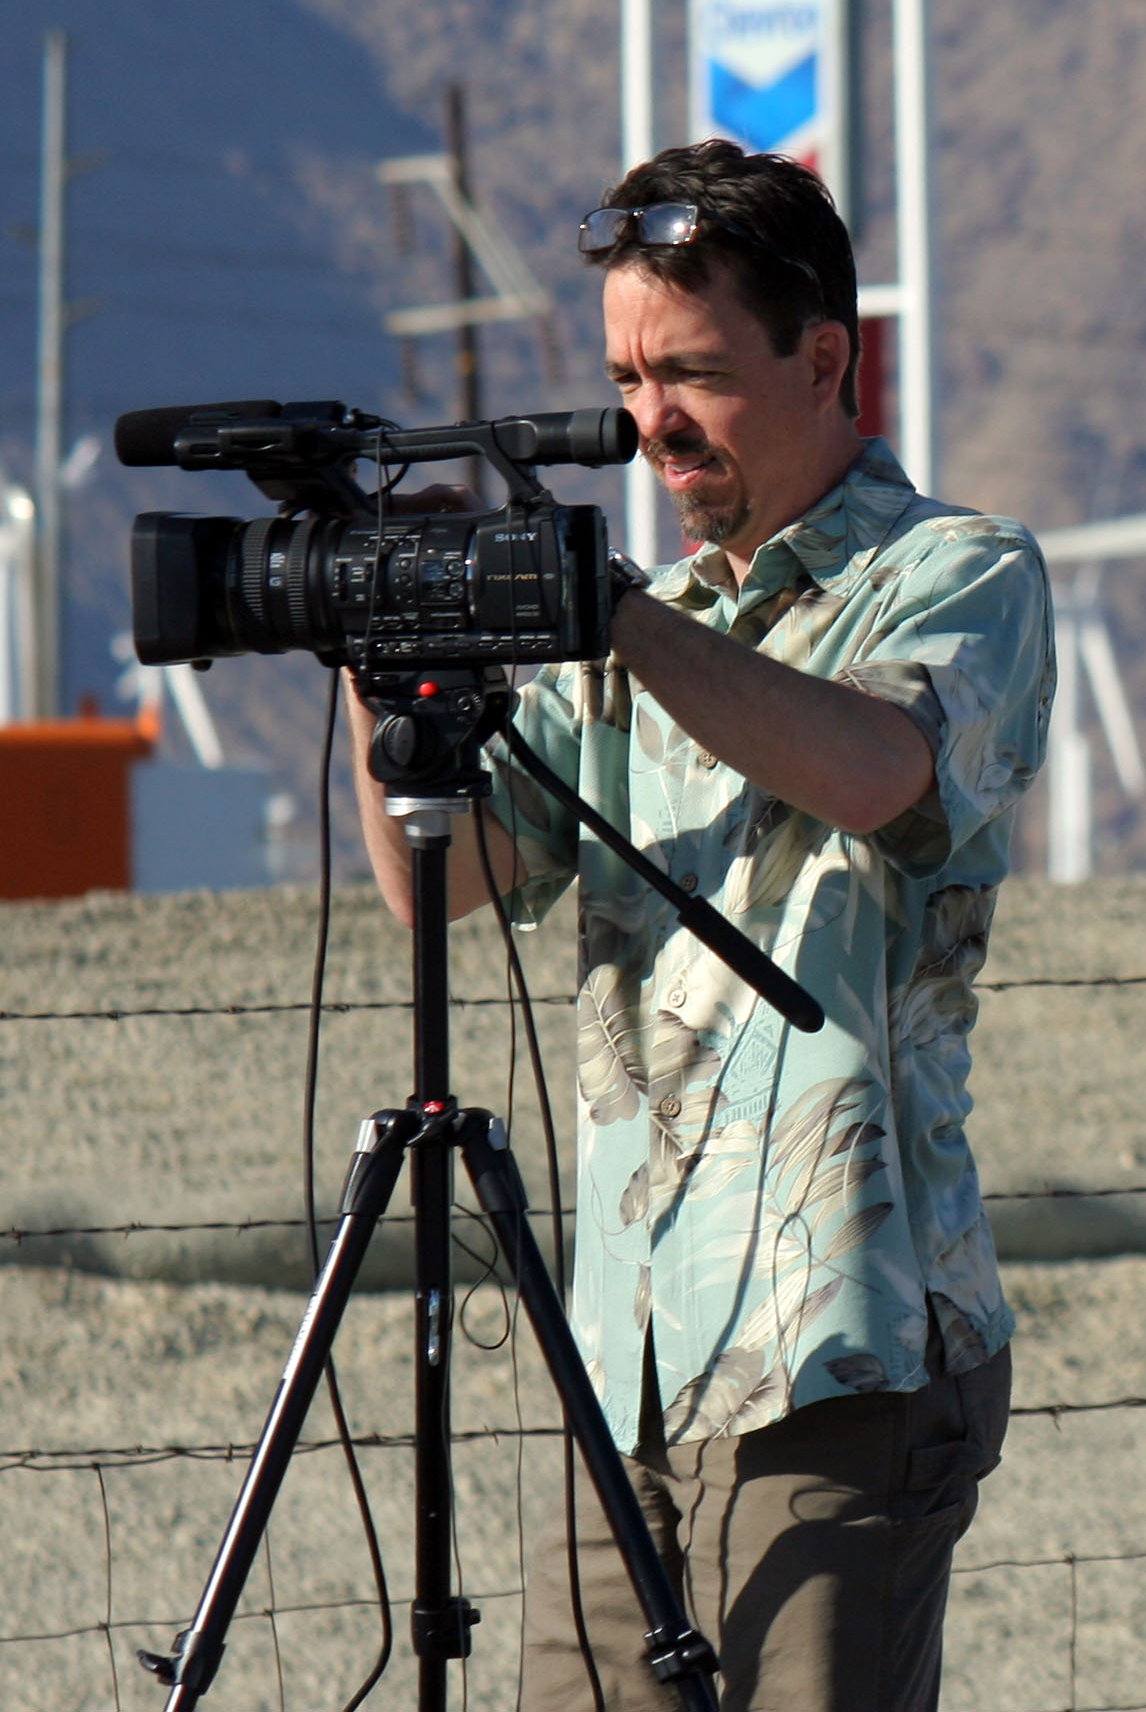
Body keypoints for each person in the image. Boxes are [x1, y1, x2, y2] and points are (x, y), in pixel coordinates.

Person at [346, 138, 1054, 1710]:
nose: (650, 423)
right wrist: (370, 640)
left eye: (694, 376)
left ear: (825, 360)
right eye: (625, 379)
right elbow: (437, 881)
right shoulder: (638, 626)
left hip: (840, 1354)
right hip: (632, 1360)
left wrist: (617, 618)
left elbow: (875, 768)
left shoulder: (955, 575)